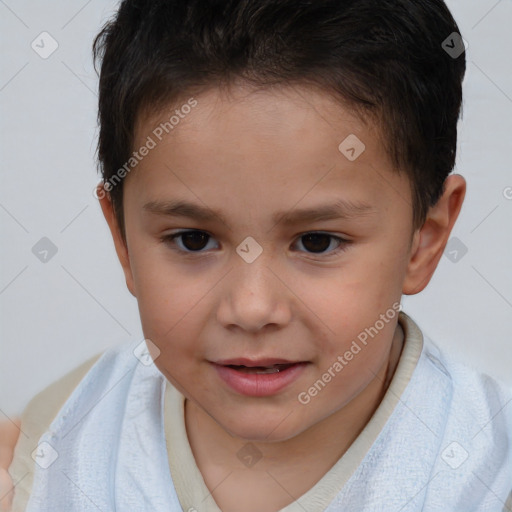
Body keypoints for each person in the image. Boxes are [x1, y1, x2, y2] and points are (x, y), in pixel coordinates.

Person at [5, 0, 512, 510]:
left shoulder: (490, 473)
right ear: (123, 240)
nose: (250, 309)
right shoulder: (55, 448)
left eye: (317, 242)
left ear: (424, 237)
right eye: (193, 240)